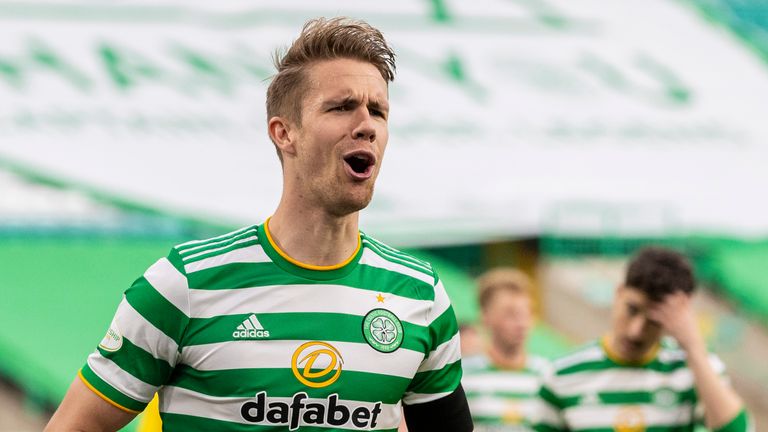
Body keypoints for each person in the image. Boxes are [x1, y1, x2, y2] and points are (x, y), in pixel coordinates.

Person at [45, 17, 472, 432]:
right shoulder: (185, 283)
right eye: (342, 107)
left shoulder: (420, 294)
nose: (366, 126)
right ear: (284, 133)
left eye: (377, 111)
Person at [536, 247, 752, 432]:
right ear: (619, 292)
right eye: (632, 309)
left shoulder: (693, 369)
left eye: (654, 321)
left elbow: (738, 430)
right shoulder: (562, 374)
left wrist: (694, 347)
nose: (635, 331)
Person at [462, 268, 550, 431]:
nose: (521, 323)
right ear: (485, 317)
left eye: (526, 313)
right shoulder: (461, 375)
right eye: (510, 313)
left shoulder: (548, 375)